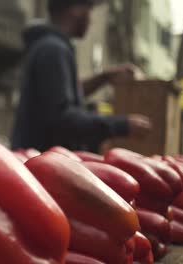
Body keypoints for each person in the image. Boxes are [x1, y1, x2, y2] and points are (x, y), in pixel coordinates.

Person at [12, 0, 152, 152]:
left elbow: (62, 95)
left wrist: (105, 77)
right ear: (77, 10)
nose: (91, 19)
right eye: (89, 9)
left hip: (43, 160)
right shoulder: (53, 50)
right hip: (41, 164)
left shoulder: (49, 46)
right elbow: (62, 118)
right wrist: (122, 125)